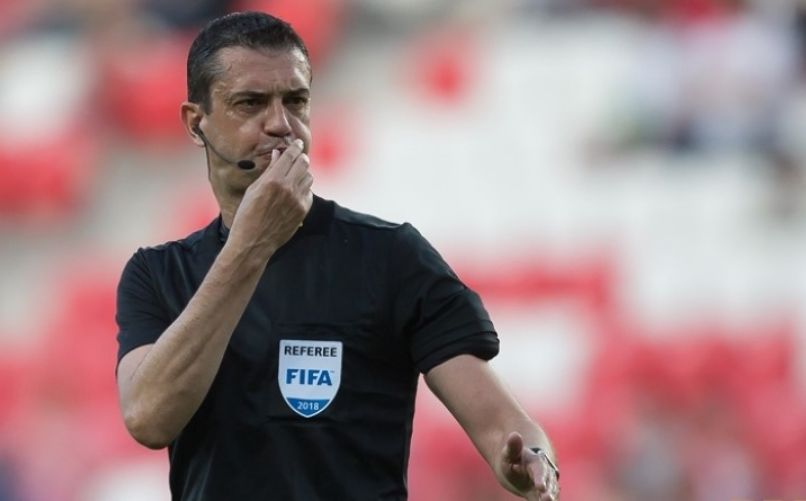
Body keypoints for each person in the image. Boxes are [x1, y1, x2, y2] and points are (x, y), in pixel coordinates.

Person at [114, 11, 560, 501]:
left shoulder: (391, 257)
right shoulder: (157, 274)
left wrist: (531, 457)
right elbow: (148, 418)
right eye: (250, 103)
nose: (281, 124)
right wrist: (250, 246)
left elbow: (500, 421)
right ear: (195, 122)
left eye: (296, 101)